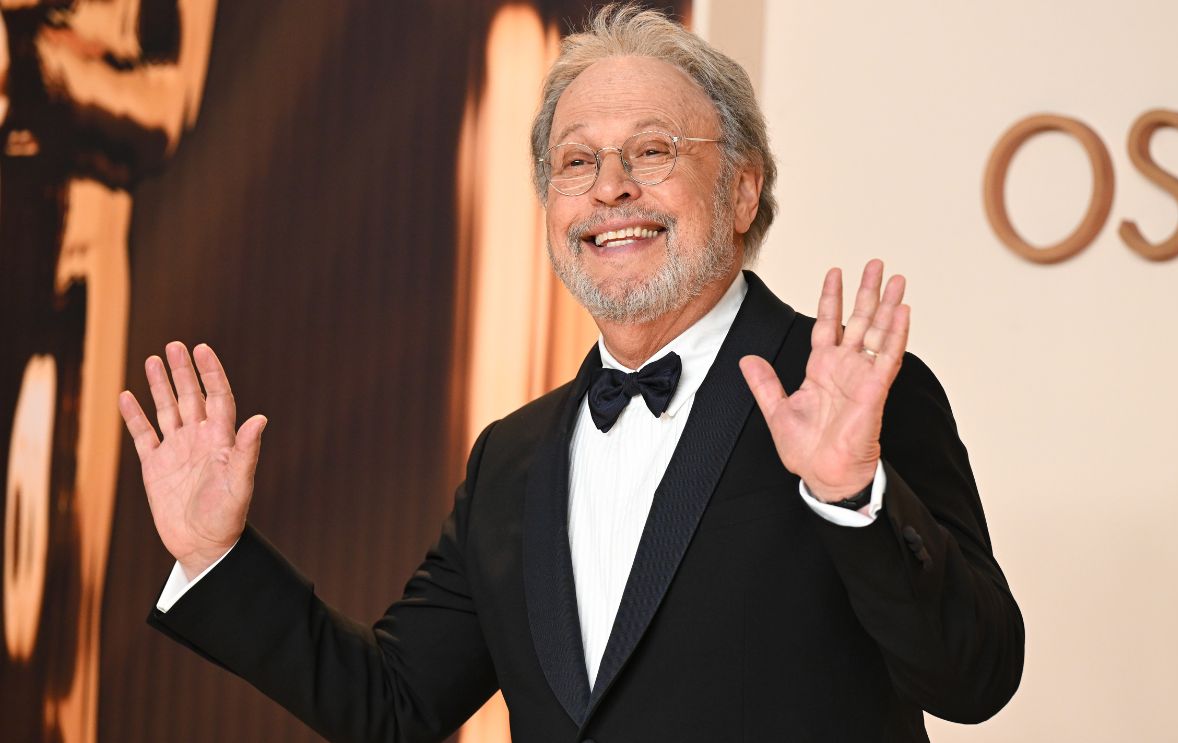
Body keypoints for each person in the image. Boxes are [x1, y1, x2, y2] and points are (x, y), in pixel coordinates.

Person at [118, 5, 1024, 742]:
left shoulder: (851, 397)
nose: (609, 187)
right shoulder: (509, 459)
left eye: (652, 151)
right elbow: (393, 705)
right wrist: (216, 557)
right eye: (577, 161)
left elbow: (974, 679)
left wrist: (850, 497)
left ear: (743, 189)